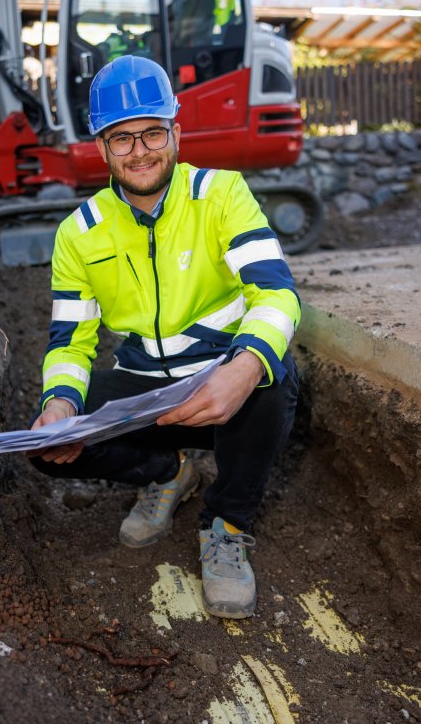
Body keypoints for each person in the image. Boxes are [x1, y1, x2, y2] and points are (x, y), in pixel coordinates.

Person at [29, 55, 300, 619]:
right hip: (147, 392)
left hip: (222, 378)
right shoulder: (77, 233)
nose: (140, 150)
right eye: (122, 138)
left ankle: (226, 523)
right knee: (47, 444)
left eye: (153, 131)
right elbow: (69, 343)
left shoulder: (222, 195)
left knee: (275, 379)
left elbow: (276, 295)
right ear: (101, 148)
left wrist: (243, 367)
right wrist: (59, 403)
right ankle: (167, 473)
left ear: (176, 132)